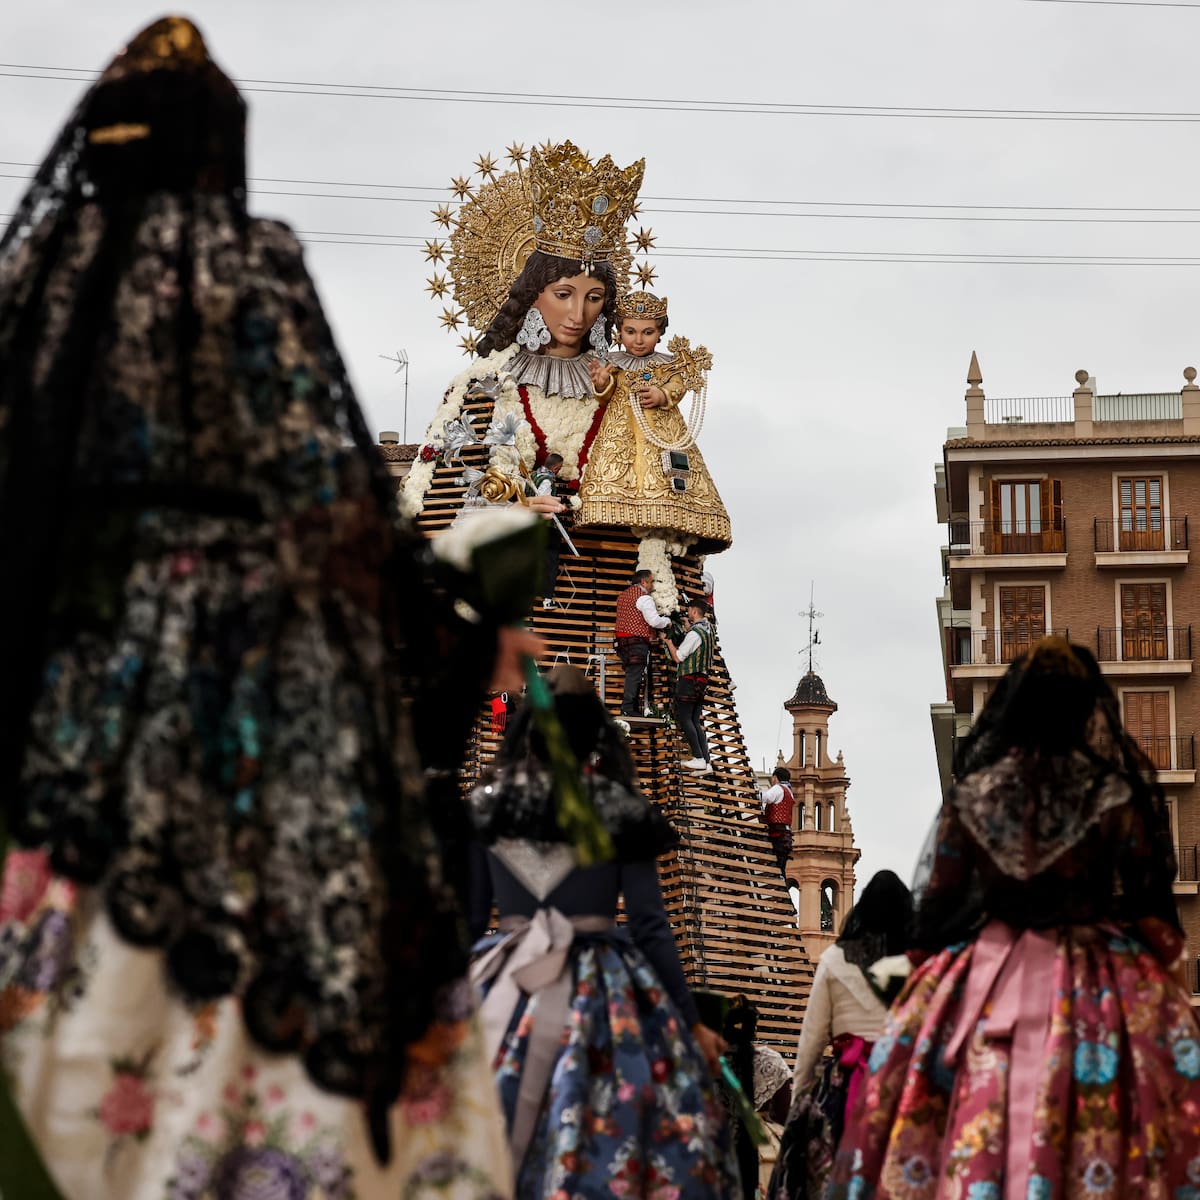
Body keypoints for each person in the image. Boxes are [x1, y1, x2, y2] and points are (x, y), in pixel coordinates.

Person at [0, 19, 520, 1198]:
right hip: (248, 690)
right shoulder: (250, 264)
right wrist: (452, 626)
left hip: (67, 683)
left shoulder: (31, 276)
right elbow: (329, 496)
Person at [830, 637, 1200, 1199]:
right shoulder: (1113, 794)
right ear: (1085, 709)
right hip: (1103, 992)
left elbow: (937, 913)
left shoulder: (974, 796)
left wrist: (927, 988)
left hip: (986, 983)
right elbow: (1152, 912)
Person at [467, 666, 740, 1198]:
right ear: (595, 733)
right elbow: (650, 925)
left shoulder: (488, 804)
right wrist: (691, 1024)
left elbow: (473, 919)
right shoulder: (618, 807)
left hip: (502, 984)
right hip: (605, 999)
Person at [768, 871, 912, 1200]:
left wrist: (798, 1108)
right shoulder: (921, 964)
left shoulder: (834, 960)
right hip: (904, 1086)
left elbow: (811, 1041)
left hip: (845, 1090)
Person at [579, 291, 730, 549]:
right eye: (630, 331)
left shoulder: (668, 364)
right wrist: (602, 384)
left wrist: (662, 395)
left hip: (662, 432)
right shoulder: (613, 362)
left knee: (670, 473)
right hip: (620, 433)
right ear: (619, 332)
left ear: (660, 333)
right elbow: (604, 396)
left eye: (647, 332)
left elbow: (678, 385)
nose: (638, 340)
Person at [664, 598, 716, 773]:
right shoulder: (709, 629)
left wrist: (669, 642)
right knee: (695, 720)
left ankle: (699, 758)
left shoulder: (695, 634)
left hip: (688, 679)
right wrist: (689, 627)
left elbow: (678, 657)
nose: (687, 613)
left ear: (694, 611)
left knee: (685, 718)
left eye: (689, 611)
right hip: (702, 680)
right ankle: (706, 762)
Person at [614, 568, 671, 716]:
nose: (652, 586)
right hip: (636, 641)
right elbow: (653, 620)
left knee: (632, 674)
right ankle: (627, 709)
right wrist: (667, 621)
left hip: (621, 641)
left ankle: (631, 708)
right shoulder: (644, 598)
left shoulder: (623, 595)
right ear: (643, 581)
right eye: (651, 582)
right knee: (635, 675)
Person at [760, 767, 797, 875]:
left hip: (777, 833)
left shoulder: (778, 788)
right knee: (781, 868)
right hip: (785, 835)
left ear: (775, 778)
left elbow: (767, 797)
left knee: (776, 868)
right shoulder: (789, 792)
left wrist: (755, 789)